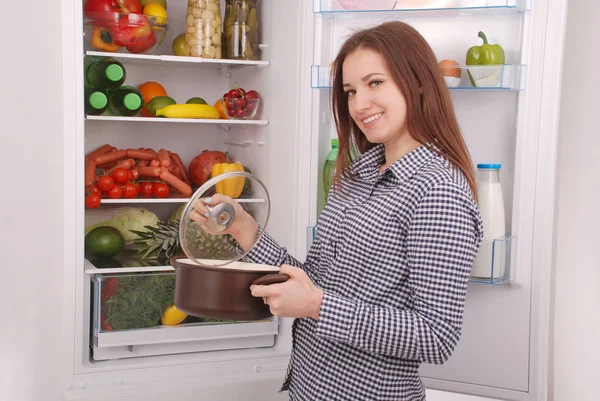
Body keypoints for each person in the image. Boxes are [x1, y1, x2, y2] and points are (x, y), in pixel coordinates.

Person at [190, 20, 483, 401]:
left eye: (375, 83)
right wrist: (242, 226)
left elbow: (435, 336)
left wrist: (317, 306)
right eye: (350, 91)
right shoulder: (357, 177)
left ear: (420, 81)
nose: (359, 104)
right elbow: (313, 283)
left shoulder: (438, 191)